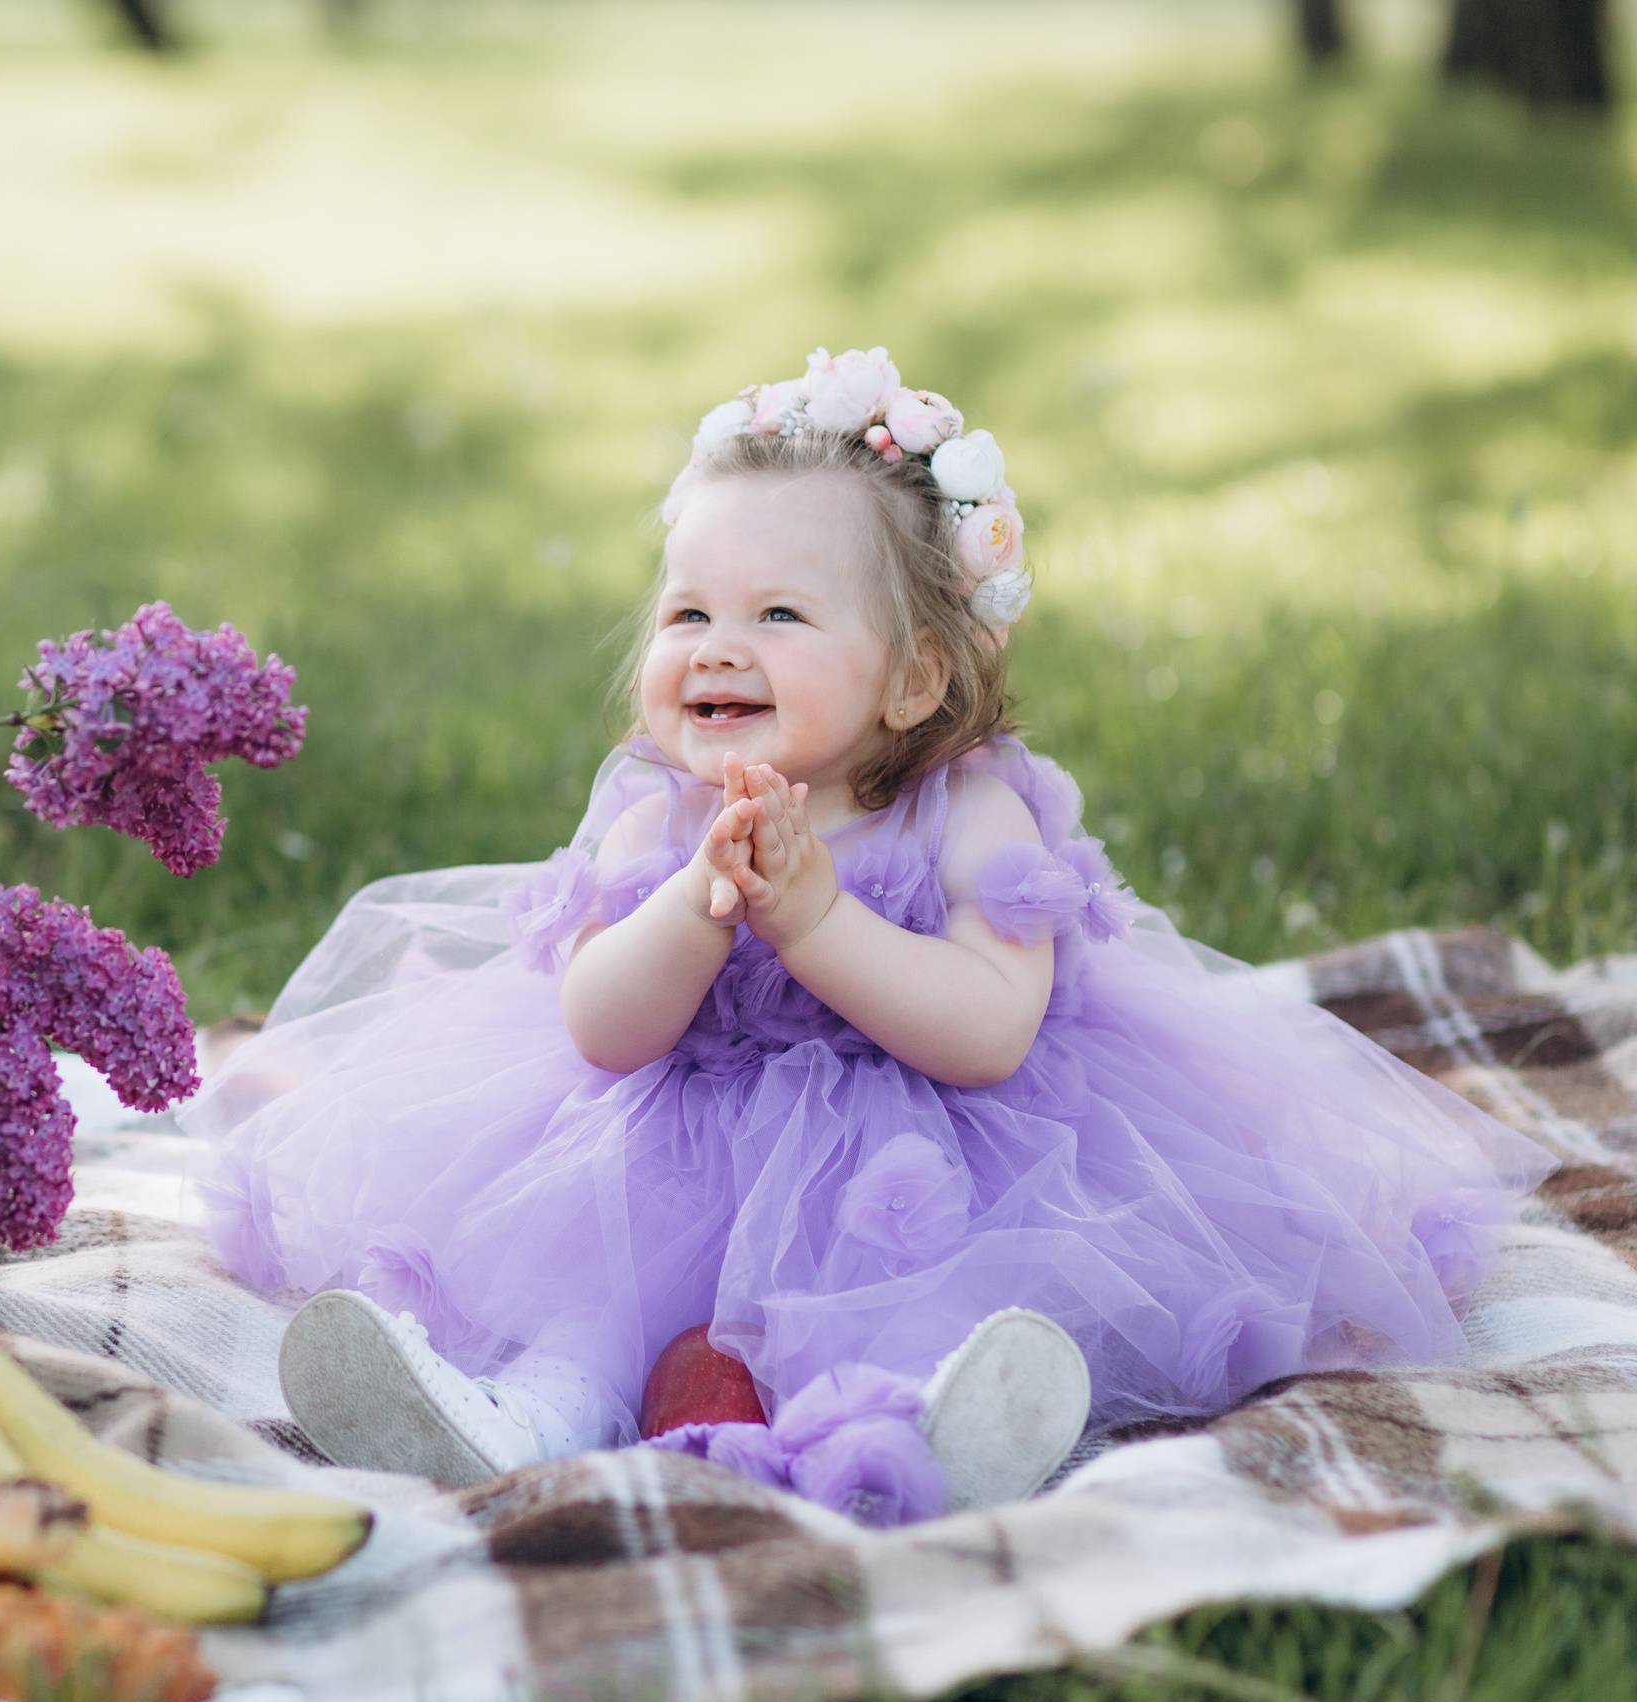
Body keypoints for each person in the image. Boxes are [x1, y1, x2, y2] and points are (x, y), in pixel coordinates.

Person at [179, 349, 1554, 1525]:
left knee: (922, 1292)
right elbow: (601, 1030)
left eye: (780, 613)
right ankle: (522, 1419)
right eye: (687, 612)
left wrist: (816, 918)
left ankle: (925, 1429)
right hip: (662, 1154)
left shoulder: (966, 807)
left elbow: (990, 1031)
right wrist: (701, 907)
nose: (719, 645)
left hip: (935, 1160)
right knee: (596, 1302)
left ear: (914, 675)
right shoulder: (659, 820)